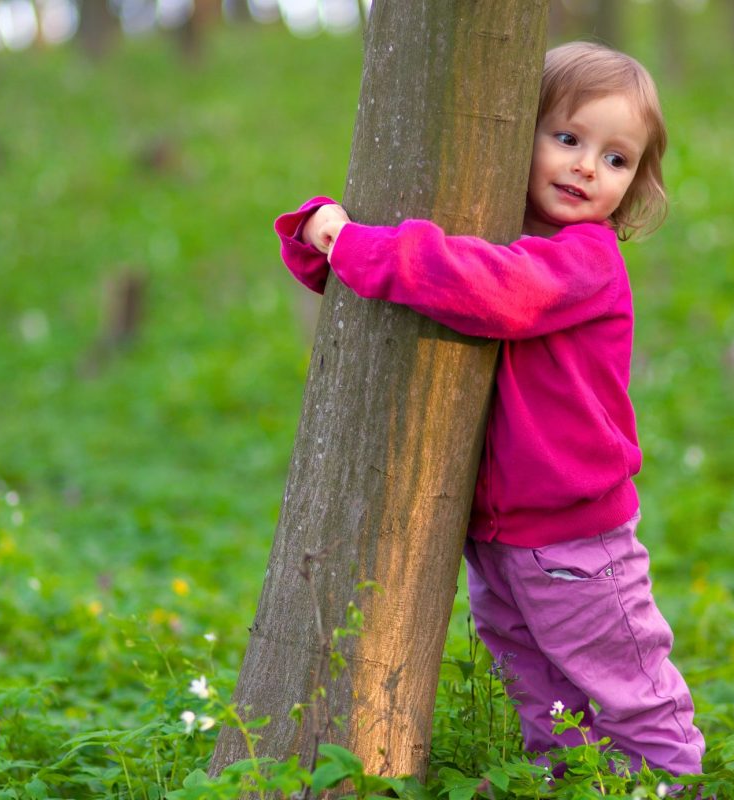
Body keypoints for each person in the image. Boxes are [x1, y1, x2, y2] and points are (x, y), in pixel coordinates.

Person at [273, 42, 704, 778]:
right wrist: (324, 238)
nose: (585, 167)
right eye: (567, 138)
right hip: (496, 539)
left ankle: (675, 787)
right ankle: (575, 788)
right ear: (516, 134)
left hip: (578, 539)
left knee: (629, 688)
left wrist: (348, 239)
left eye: (616, 159)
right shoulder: (508, 238)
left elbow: (485, 289)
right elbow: (421, 288)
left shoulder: (583, 261)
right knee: (542, 696)